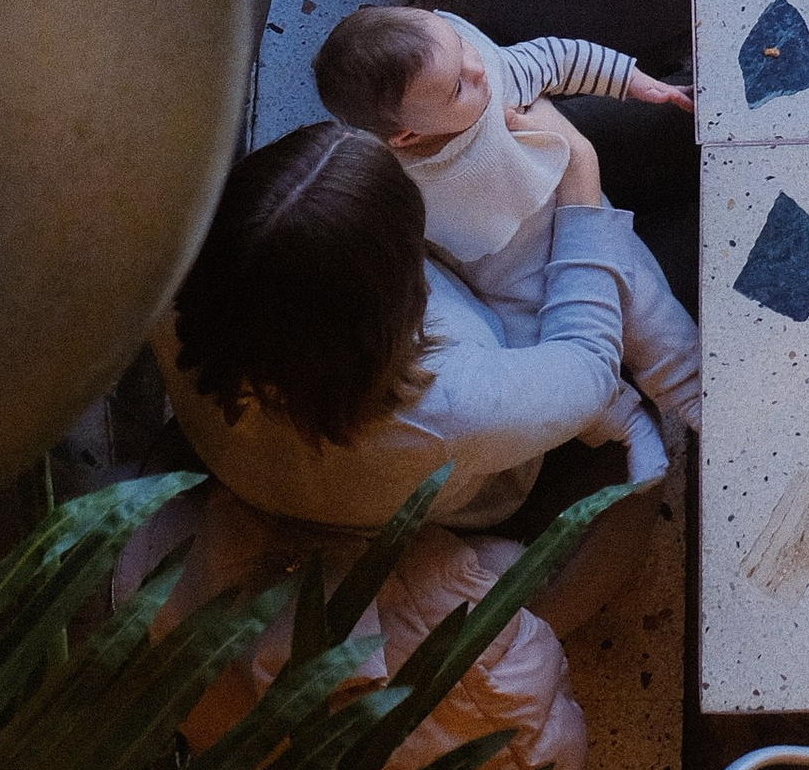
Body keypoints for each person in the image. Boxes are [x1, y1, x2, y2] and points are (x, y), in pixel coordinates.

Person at [156, 117, 654, 529]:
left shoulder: (178, 294)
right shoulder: (448, 409)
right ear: (399, 294)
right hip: (496, 467)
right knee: (655, 264)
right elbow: (590, 365)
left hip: (315, 481)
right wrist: (581, 169)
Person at [315, 3, 700, 468]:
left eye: (464, 49)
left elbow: (559, 58)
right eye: (458, 87)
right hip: (498, 272)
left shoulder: (489, 74)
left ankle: (694, 394)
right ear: (406, 137)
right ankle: (626, 424)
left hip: (575, 211)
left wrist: (636, 82)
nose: (479, 70)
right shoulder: (390, 176)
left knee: (648, 310)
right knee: (532, 358)